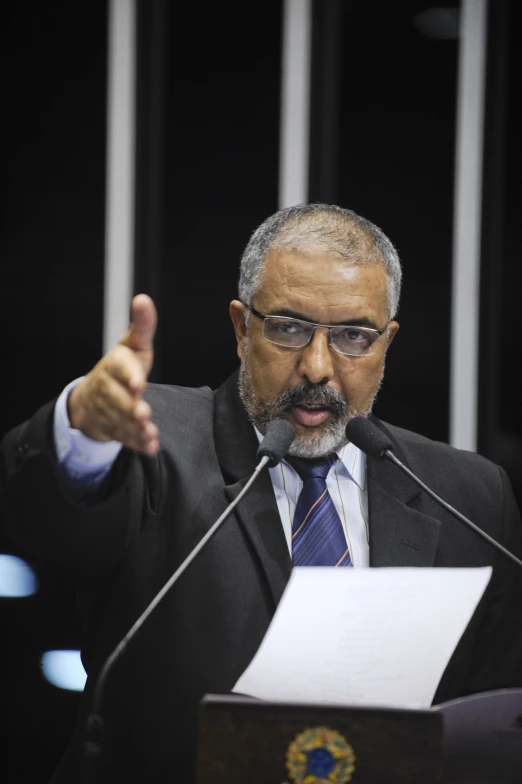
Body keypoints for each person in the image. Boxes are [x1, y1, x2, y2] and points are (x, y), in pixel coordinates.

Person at [2, 203, 522, 783]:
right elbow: (43, 526)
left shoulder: (469, 496)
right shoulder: (149, 442)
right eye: (289, 327)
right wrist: (83, 432)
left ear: (387, 341)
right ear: (241, 327)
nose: (318, 368)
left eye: (354, 335)